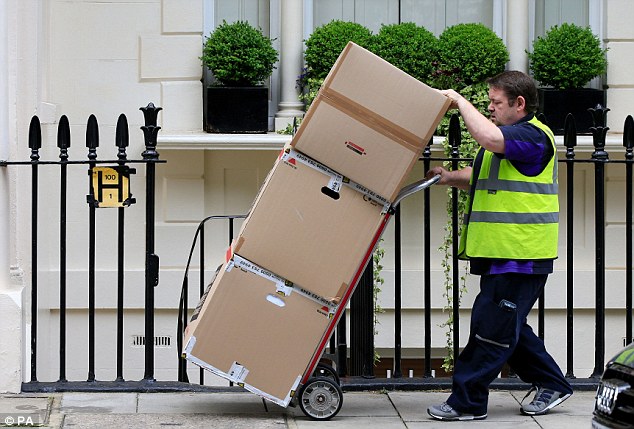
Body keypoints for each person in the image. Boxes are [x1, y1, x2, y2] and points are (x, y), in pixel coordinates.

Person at [426, 70, 573, 421]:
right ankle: (552, 383)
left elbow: (490, 138)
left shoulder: (531, 137)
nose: (489, 108)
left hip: (520, 255)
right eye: (487, 102)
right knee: (509, 326)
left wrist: (460, 101)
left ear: (519, 104)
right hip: (503, 255)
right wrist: (449, 178)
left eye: (495, 102)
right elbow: (485, 179)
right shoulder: (513, 138)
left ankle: (468, 402)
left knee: (491, 328)